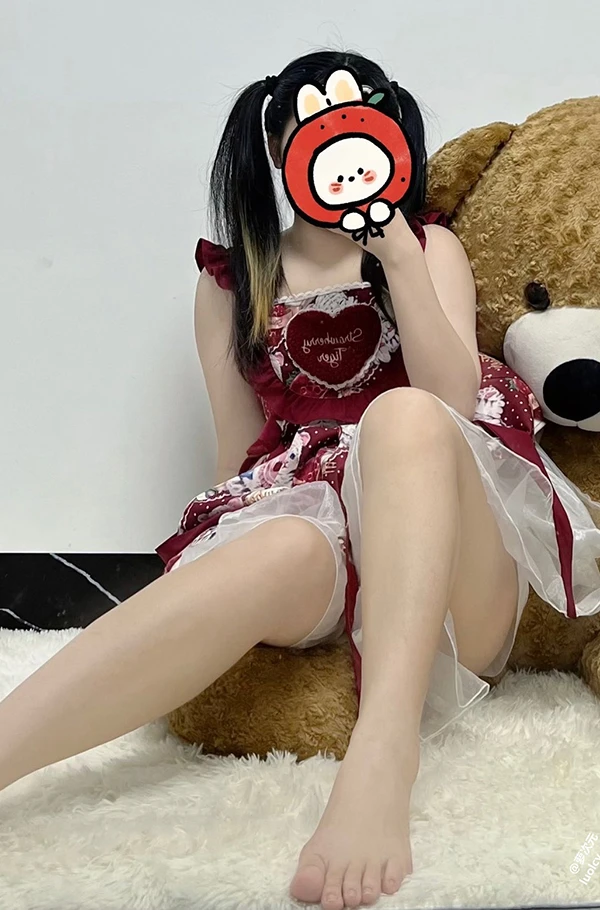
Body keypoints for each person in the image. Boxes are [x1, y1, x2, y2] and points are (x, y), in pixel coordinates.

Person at [1, 49, 599, 910]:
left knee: (402, 418)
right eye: (317, 132)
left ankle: (384, 753)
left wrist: (398, 258)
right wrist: (222, 569)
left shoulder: (430, 247)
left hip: (450, 565)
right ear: (282, 149)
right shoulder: (233, 280)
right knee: (276, 539)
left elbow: (454, 399)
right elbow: (236, 457)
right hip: (323, 536)